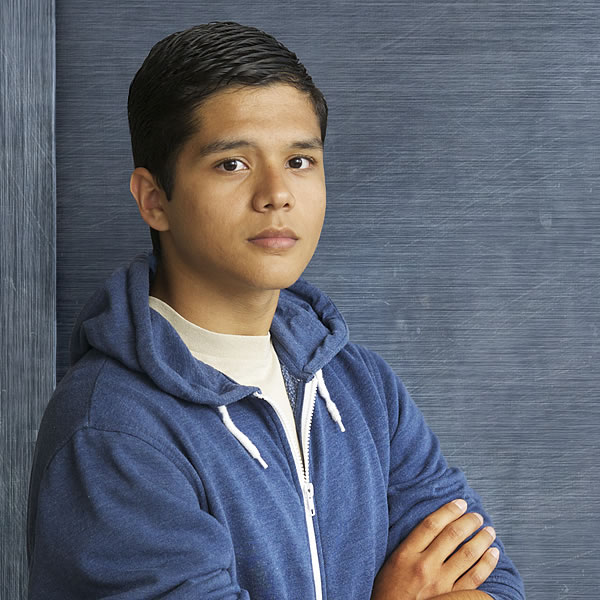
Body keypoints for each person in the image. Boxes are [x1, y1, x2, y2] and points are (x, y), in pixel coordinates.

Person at [27, 21, 525, 600]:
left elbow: (495, 583)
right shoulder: (114, 432)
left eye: (299, 160)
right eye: (232, 164)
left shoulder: (362, 388)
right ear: (154, 199)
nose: (277, 194)